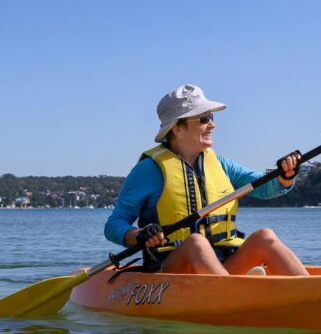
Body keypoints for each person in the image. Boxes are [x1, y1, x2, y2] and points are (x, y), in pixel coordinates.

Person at [105, 84, 307, 276]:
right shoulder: (148, 171)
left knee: (265, 237)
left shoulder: (221, 165)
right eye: (204, 119)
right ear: (177, 128)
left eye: (210, 117)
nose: (212, 124)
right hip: (172, 270)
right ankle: (234, 295)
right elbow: (114, 224)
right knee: (197, 243)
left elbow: (266, 187)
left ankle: (313, 289)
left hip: (223, 265)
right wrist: (140, 234)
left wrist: (286, 175)